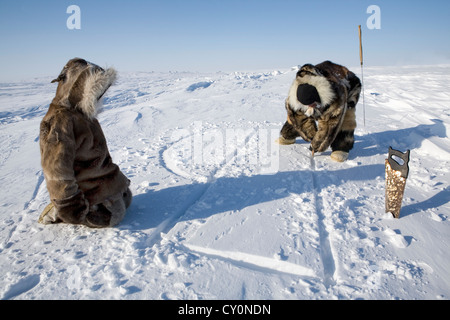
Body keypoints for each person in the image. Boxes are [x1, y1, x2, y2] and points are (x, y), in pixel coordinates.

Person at [38, 58, 132, 228]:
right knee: (111, 216)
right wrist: (70, 206)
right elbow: (56, 170)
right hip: (87, 193)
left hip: (105, 185)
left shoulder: (84, 116)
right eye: (94, 91)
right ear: (79, 89)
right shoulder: (60, 122)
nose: (100, 97)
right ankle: (58, 208)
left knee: (126, 200)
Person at [277, 61, 361, 162]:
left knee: (345, 117)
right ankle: (289, 134)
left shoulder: (335, 95)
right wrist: (311, 136)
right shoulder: (294, 97)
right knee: (298, 115)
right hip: (323, 85)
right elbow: (296, 117)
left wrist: (317, 144)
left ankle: (342, 146)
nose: (310, 106)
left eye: (313, 104)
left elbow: (328, 125)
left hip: (349, 85)